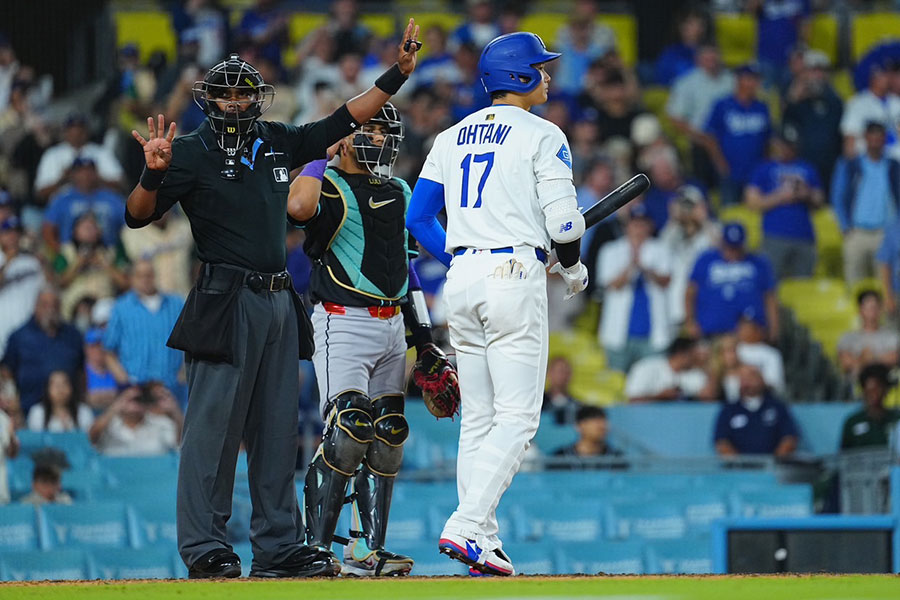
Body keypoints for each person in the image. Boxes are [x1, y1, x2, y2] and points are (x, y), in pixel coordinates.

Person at [125, 30, 420, 579]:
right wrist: (153, 172)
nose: (236, 102)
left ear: (257, 97)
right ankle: (205, 545)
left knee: (278, 429)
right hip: (223, 296)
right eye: (226, 94)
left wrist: (397, 74)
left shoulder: (277, 139)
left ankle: (279, 546)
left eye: (244, 93)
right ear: (209, 100)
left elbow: (340, 122)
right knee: (212, 431)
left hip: (280, 297)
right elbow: (138, 216)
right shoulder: (187, 151)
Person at [406, 32, 589, 576]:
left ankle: (481, 539)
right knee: (518, 419)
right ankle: (465, 525)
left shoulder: (449, 136)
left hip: (460, 281)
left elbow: (418, 219)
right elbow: (564, 223)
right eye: (541, 66)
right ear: (521, 76)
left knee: (479, 420)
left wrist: (463, 255)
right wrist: (571, 263)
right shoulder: (543, 133)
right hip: (513, 275)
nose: (549, 75)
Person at [288, 103, 421, 576]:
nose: (381, 139)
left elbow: (409, 269)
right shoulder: (326, 184)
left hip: (391, 324)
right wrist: (316, 154)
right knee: (348, 429)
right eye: (371, 128)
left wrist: (423, 340)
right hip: (341, 319)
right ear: (345, 135)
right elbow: (298, 208)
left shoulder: (401, 189)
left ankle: (367, 550)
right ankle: (316, 549)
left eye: (387, 131)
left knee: (388, 434)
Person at [598, 204, 672, 373]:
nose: (639, 228)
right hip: (618, 334)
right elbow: (612, 285)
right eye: (635, 223)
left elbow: (666, 280)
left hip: (653, 334)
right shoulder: (611, 250)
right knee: (616, 384)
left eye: (643, 223)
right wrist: (632, 264)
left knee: (652, 382)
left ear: (650, 226)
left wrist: (644, 267)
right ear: (627, 226)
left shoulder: (661, 249)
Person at [745, 130, 824, 280]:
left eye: (791, 146)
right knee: (772, 281)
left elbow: (819, 200)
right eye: (784, 145)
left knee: (803, 284)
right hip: (775, 235)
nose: (787, 149)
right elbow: (752, 202)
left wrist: (806, 194)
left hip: (804, 236)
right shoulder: (764, 168)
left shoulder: (808, 168)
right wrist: (780, 197)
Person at [831, 121, 900, 287]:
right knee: (855, 285)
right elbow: (838, 196)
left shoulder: (893, 166)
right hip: (857, 232)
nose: (876, 142)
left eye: (880, 138)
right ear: (865, 138)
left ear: (885, 139)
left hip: (884, 233)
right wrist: (845, 226)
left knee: (885, 286)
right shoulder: (851, 165)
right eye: (872, 137)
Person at [103, 260, 184, 395]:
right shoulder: (121, 308)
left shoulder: (176, 304)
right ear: (132, 278)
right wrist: (125, 381)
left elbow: (189, 343)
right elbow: (109, 351)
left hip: (171, 388)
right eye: (140, 275)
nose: (145, 280)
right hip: (136, 389)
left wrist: (182, 375)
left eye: (149, 275)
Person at [686, 223, 779, 341]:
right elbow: (690, 293)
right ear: (722, 244)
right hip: (711, 333)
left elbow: (770, 298)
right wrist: (690, 322)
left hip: (751, 336)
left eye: (737, 248)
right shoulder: (706, 260)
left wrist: (774, 330)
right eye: (729, 248)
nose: (733, 253)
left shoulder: (759, 263)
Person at [1, 287, 84, 414]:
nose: (50, 310)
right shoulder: (19, 336)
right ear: (35, 307)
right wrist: (11, 398)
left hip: (66, 413)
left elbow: (81, 372)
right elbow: (6, 371)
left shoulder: (73, 335)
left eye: (54, 305)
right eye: (45, 305)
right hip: (26, 409)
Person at [666, 44, 734, 190]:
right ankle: (705, 193)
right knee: (706, 147)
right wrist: (701, 137)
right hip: (699, 137)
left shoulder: (731, 80)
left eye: (714, 58)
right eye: (707, 58)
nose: (712, 62)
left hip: (730, 134)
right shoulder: (686, 83)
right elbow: (675, 118)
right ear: (698, 59)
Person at [702, 64, 772, 206]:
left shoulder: (762, 107)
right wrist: (720, 164)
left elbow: (768, 139)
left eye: (756, 80)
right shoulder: (722, 105)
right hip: (730, 172)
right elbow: (710, 137)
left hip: (755, 172)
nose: (754, 84)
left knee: (754, 212)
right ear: (739, 80)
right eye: (750, 79)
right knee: (730, 211)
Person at [658, 185, 719, 331]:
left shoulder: (711, 230)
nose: (687, 210)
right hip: (674, 306)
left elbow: (721, 251)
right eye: (683, 205)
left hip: (703, 305)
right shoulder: (672, 232)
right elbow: (660, 249)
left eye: (691, 205)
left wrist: (703, 218)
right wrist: (673, 217)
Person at [782, 50, 843, 188]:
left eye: (822, 71)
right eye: (813, 71)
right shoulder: (795, 102)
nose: (818, 76)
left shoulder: (835, 102)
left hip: (830, 165)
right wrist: (795, 97)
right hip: (803, 166)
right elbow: (785, 126)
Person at [42, 157, 127, 253]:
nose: (85, 175)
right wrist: (61, 254)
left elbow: (129, 226)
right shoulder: (62, 199)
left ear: (96, 173)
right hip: (71, 252)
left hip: (108, 251)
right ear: (73, 175)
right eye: (80, 171)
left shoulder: (112, 198)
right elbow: (47, 229)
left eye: (89, 171)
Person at [33, 114, 124, 202]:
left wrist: (93, 177)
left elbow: (121, 186)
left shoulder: (101, 152)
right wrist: (64, 179)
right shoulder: (53, 154)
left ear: (87, 131)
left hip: (99, 205)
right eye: (72, 130)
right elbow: (40, 194)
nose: (76, 134)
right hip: (63, 209)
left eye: (80, 130)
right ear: (65, 132)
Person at [714, 364, 799, 457]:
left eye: (751, 376)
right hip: (739, 468)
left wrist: (775, 463)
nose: (746, 382)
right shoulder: (729, 410)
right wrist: (740, 465)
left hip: (773, 467)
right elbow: (722, 442)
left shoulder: (777, 407)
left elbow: (789, 438)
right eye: (742, 378)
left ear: (761, 380)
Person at [89, 383, 182, 457]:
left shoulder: (162, 424)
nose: (136, 403)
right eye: (131, 399)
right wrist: (115, 408)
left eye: (139, 399)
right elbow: (91, 438)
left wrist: (175, 410)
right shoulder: (108, 425)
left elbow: (181, 442)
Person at [0, 214, 44, 357]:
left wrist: (41, 257)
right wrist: (8, 260)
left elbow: (52, 287)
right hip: (3, 327)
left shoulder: (32, 260)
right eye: (8, 232)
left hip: (29, 328)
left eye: (16, 232)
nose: (13, 236)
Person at [625, 337, 714, 403]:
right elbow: (632, 400)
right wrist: (660, 397)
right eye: (694, 355)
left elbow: (709, 397)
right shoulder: (646, 367)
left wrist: (709, 366)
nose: (697, 358)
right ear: (682, 354)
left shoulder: (694, 372)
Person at [840, 65, 900, 159]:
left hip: (894, 160)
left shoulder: (896, 102)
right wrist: (850, 165)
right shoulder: (858, 103)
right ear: (873, 78)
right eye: (883, 75)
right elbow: (850, 137)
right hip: (867, 160)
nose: (887, 79)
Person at [837, 290, 899, 380]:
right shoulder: (847, 338)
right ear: (860, 310)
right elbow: (846, 362)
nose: (873, 312)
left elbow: (894, 358)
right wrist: (878, 359)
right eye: (869, 308)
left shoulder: (892, 336)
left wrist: (869, 358)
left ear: (881, 310)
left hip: (886, 382)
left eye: (876, 308)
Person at [840, 363, 900, 450]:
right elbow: (843, 458)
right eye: (869, 390)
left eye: (877, 389)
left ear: (886, 390)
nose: (873, 394)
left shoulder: (897, 420)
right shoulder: (852, 422)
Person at [26, 370, 93, 433]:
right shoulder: (37, 413)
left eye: (64, 384)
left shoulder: (84, 411)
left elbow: (89, 441)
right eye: (56, 385)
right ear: (47, 389)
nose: (60, 389)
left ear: (72, 388)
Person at [551, 405, 621, 460]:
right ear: (579, 426)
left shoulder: (617, 458)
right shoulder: (560, 458)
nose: (602, 426)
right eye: (596, 422)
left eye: (604, 421)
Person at [542, 356, 583, 426]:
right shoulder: (538, 403)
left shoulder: (578, 406)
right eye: (559, 371)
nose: (562, 376)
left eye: (566, 372)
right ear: (548, 373)